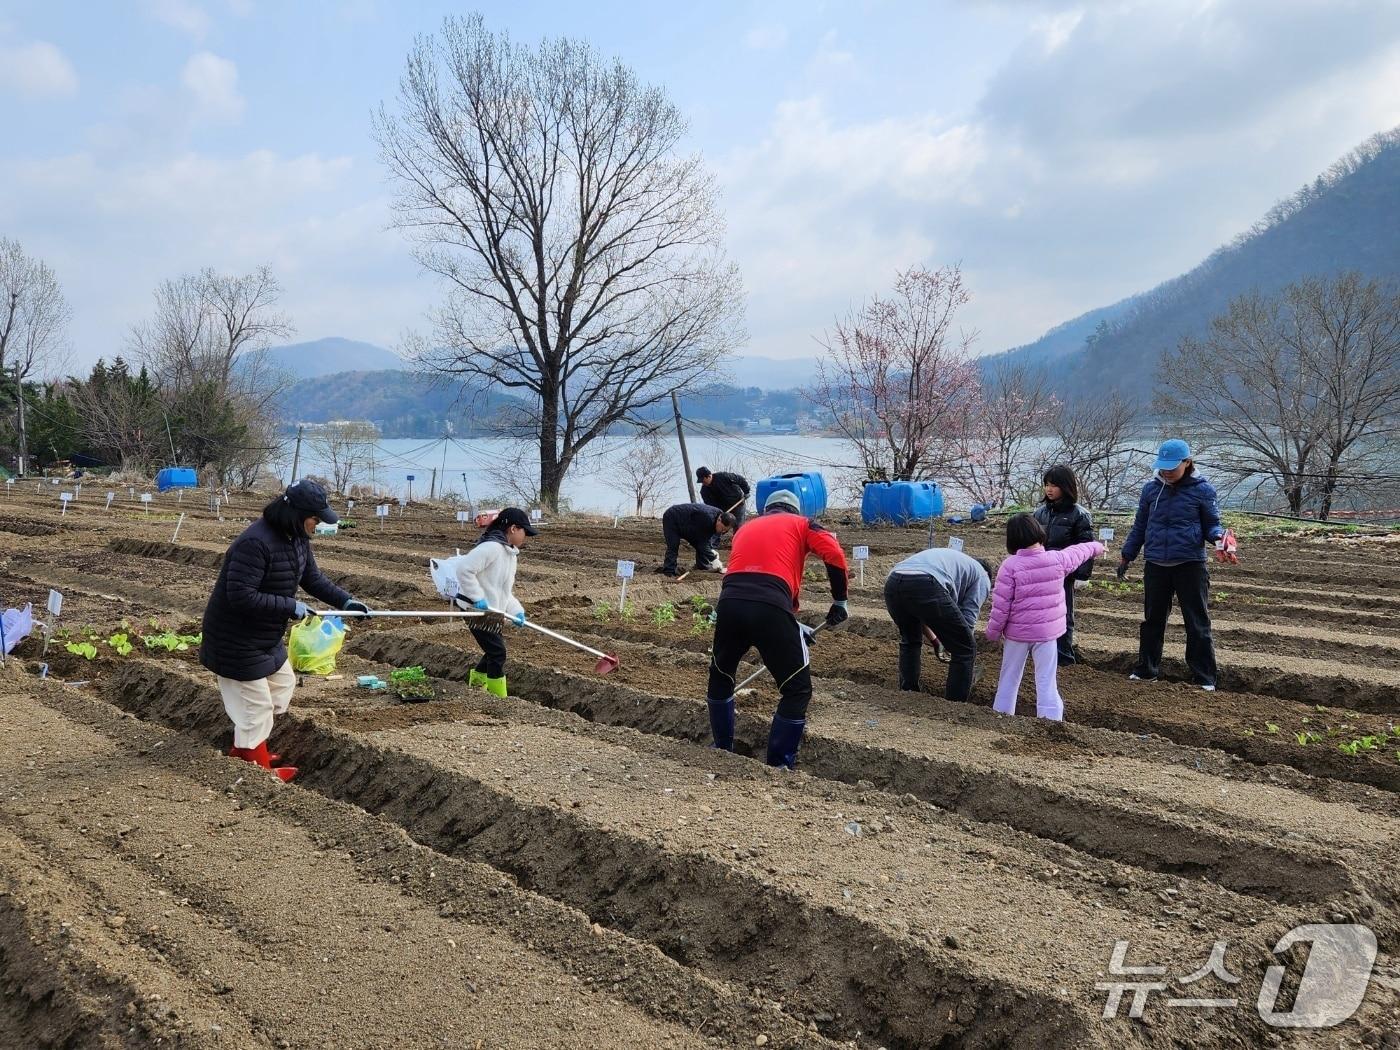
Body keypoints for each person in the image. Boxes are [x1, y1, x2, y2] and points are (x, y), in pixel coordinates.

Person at [200, 480, 370, 781]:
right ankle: (256, 769)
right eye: (315, 519)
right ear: (298, 513)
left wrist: (345, 600)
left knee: (282, 686)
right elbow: (240, 595)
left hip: (265, 636)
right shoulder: (255, 543)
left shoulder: (297, 538)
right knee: (256, 708)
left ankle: (247, 749)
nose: (317, 525)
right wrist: (289, 606)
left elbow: (312, 579)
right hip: (235, 639)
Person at [706, 489, 849, 769]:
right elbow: (834, 554)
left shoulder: (745, 528)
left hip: (730, 603)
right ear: (794, 510)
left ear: (767, 509)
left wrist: (791, 625)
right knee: (797, 689)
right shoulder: (803, 524)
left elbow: (754, 582)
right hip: (771, 607)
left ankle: (722, 747)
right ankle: (779, 764)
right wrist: (840, 601)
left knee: (721, 676)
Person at [1119, 439, 1230, 691]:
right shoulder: (1150, 490)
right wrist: (1127, 555)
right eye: (1163, 467)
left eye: (1172, 467)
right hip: (1156, 563)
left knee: (1196, 621)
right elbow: (1140, 526)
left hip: (1190, 564)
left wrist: (1219, 539)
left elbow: (1212, 524)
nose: (1167, 472)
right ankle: (1147, 669)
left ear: (1187, 462)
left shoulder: (1203, 490)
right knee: (1152, 620)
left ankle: (1204, 677)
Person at [986, 513, 1103, 721]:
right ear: (1039, 533)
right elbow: (1078, 551)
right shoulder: (1056, 559)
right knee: (1046, 679)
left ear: (1011, 539)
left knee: (1009, 677)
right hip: (1047, 635)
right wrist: (1097, 547)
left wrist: (993, 632)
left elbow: (1001, 605)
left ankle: (1001, 716)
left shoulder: (1010, 566)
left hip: (1017, 634)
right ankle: (1050, 720)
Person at [883, 548, 993, 702]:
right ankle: (954, 704)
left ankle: (908, 692)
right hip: (926, 582)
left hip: (893, 582)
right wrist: (959, 648)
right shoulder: (982, 576)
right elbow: (968, 620)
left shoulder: (955, 565)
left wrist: (936, 641)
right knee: (966, 649)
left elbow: (919, 614)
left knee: (910, 640)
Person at [451, 507, 537, 699]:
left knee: (492, 651)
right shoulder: (491, 548)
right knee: (498, 652)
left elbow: (503, 590)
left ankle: (476, 686)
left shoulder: (510, 555)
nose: (526, 537)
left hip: (492, 611)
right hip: (474, 608)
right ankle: (497, 698)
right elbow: (464, 569)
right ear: (513, 529)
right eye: (525, 532)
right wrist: (477, 597)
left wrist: (516, 611)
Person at [1033, 465, 1096, 666]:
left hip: (1064, 574)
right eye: (1046, 485)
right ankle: (1041, 653)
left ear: (1066, 487)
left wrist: (1082, 576)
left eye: (1054, 485)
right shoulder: (1040, 513)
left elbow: (1086, 546)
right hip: (1042, 573)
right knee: (1040, 614)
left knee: (1063, 615)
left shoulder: (1079, 515)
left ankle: (1064, 657)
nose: (1049, 489)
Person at [655, 502, 735, 577]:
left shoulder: (718, 516)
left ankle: (702, 566)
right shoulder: (707, 518)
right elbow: (702, 543)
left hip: (689, 525)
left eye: (726, 530)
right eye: (722, 529)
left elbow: (704, 540)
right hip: (673, 518)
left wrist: (710, 551)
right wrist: (713, 559)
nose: (723, 532)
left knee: (703, 546)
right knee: (673, 546)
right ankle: (669, 572)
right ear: (719, 520)